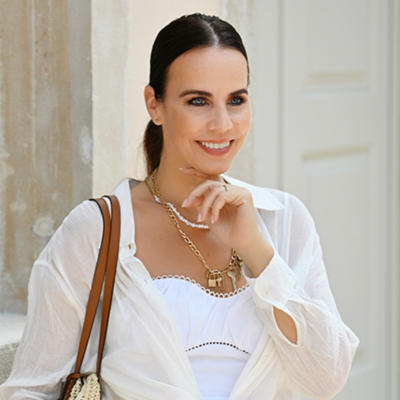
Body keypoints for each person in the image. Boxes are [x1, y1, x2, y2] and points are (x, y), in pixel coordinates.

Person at [0, 13, 359, 400]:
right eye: (198, 101)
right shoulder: (99, 230)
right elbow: (30, 392)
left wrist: (260, 254)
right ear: (154, 105)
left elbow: (327, 379)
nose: (223, 124)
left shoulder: (285, 220)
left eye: (236, 100)